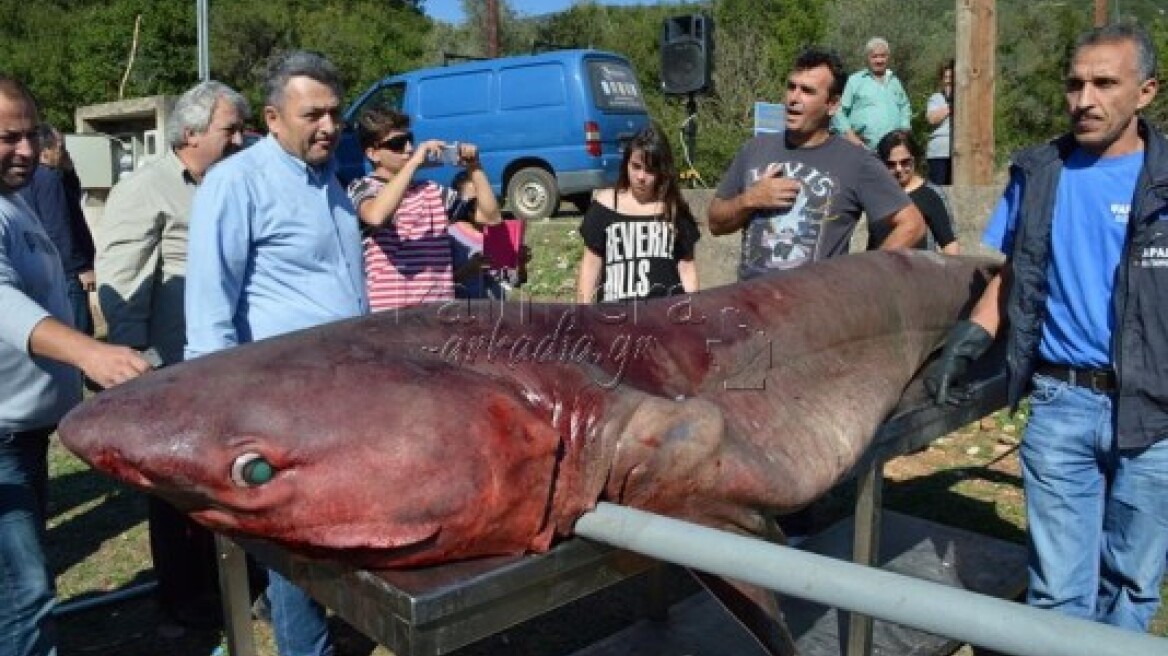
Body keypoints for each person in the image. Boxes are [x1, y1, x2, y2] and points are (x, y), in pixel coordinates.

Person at [927, 23, 1168, 632]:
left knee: (1133, 588)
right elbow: (1014, 275)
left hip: (1158, 413)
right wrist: (971, 338)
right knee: (1060, 596)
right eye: (1074, 83)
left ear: (1145, 92)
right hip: (1062, 405)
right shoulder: (1038, 173)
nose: (1084, 99)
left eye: (1104, 83)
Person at [184, 51, 368, 656]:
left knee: (337, 525)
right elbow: (210, 311)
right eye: (312, 113)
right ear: (272, 117)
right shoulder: (236, 183)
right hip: (280, 404)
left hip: (348, 397)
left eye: (335, 113)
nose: (329, 125)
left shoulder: (331, 182)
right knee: (293, 540)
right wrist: (223, 415)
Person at [0, 74, 151, 656]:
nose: (27, 149)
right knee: (23, 594)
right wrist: (90, 351)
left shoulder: (16, 203)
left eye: (32, 133)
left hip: (25, 434)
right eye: (8, 136)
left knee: (21, 582)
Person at [96, 79, 249, 629]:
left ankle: (233, 580)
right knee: (172, 486)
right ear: (190, 133)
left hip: (231, 362)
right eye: (229, 130)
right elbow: (123, 277)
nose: (239, 140)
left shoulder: (236, 181)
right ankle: (182, 595)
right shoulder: (147, 188)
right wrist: (135, 357)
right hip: (171, 366)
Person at [708, 46, 926, 281]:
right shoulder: (755, 149)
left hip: (815, 309)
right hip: (751, 306)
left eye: (807, 91)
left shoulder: (856, 161)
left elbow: (912, 225)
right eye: (791, 87)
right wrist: (750, 199)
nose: (793, 98)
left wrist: (865, 279)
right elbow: (715, 222)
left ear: (832, 105)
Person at [346, 107, 501, 311]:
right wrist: (414, 164)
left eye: (409, 139)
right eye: (397, 144)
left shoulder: (431, 190)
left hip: (439, 312)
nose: (409, 148)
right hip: (391, 317)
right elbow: (376, 216)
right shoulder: (362, 188)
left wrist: (475, 167)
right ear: (373, 153)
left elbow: (490, 218)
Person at [576, 122, 699, 302]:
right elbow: (591, 265)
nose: (641, 177)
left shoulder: (674, 209)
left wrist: (693, 313)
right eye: (636, 166)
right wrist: (583, 314)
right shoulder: (604, 205)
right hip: (614, 318)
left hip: (665, 318)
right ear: (626, 164)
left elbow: (687, 268)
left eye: (650, 170)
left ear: (662, 171)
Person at [20, 123, 96, 334]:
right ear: (45, 151)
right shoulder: (48, 179)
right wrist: (80, 268)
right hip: (67, 273)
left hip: (48, 267)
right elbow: (59, 227)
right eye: (60, 147)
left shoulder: (35, 177)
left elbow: (73, 197)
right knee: (78, 333)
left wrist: (69, 169)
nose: (64, 152)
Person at [869, 129, 959, 254]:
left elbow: (950, 246)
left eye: (905, 162)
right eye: (891, 164)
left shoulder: (930, 195)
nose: (899, 169)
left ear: (914, 159)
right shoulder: (877, 195)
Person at [833, 37, 912, 149]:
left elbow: (904, 106)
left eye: (883, 56)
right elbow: (839, 111)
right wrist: (850, 137)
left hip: (893, 152)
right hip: (863, 149)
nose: (879, 60)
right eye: (874, 56)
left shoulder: (895, 81)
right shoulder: (855, 81)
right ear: (868, 58)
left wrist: (905, 128)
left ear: (888, 57)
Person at [926, 59, 955, 185]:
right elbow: (932, 119)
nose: (948, 80)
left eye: (951, 77)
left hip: (962, 153)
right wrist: (950, 105)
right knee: (939, 191)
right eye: (946, 77)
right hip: (939, 153)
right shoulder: (935, 98)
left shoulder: (967, 99)